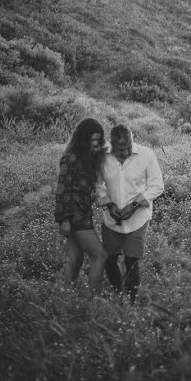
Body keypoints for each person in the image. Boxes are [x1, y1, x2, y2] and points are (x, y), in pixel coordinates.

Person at [95, 124, 164, 302]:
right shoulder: (102, 157)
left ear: (133, 140)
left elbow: (157, 186)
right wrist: (109, 205)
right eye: (120, 150)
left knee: (131, 261)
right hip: (111, 220)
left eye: (128, 147)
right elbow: (97, 185)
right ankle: (120, 293)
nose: (125, 153)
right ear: (111, 144)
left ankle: (131, 302)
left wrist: (134, 206)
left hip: (138, 219)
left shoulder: (146, 155)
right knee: (109, 259)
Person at [56, 118, 108, 295]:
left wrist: (91, 195)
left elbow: (81, 188)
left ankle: (66, 298)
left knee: (75, 259)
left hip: (83, 212)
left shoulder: (87, 157)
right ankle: (94, 301)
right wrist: (64, 220)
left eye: (98, 140)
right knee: (100, 255)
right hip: (75, 215)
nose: (95, 144)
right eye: (91, 140)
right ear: (82, 139)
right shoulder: (70, 158)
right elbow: (62, 190)